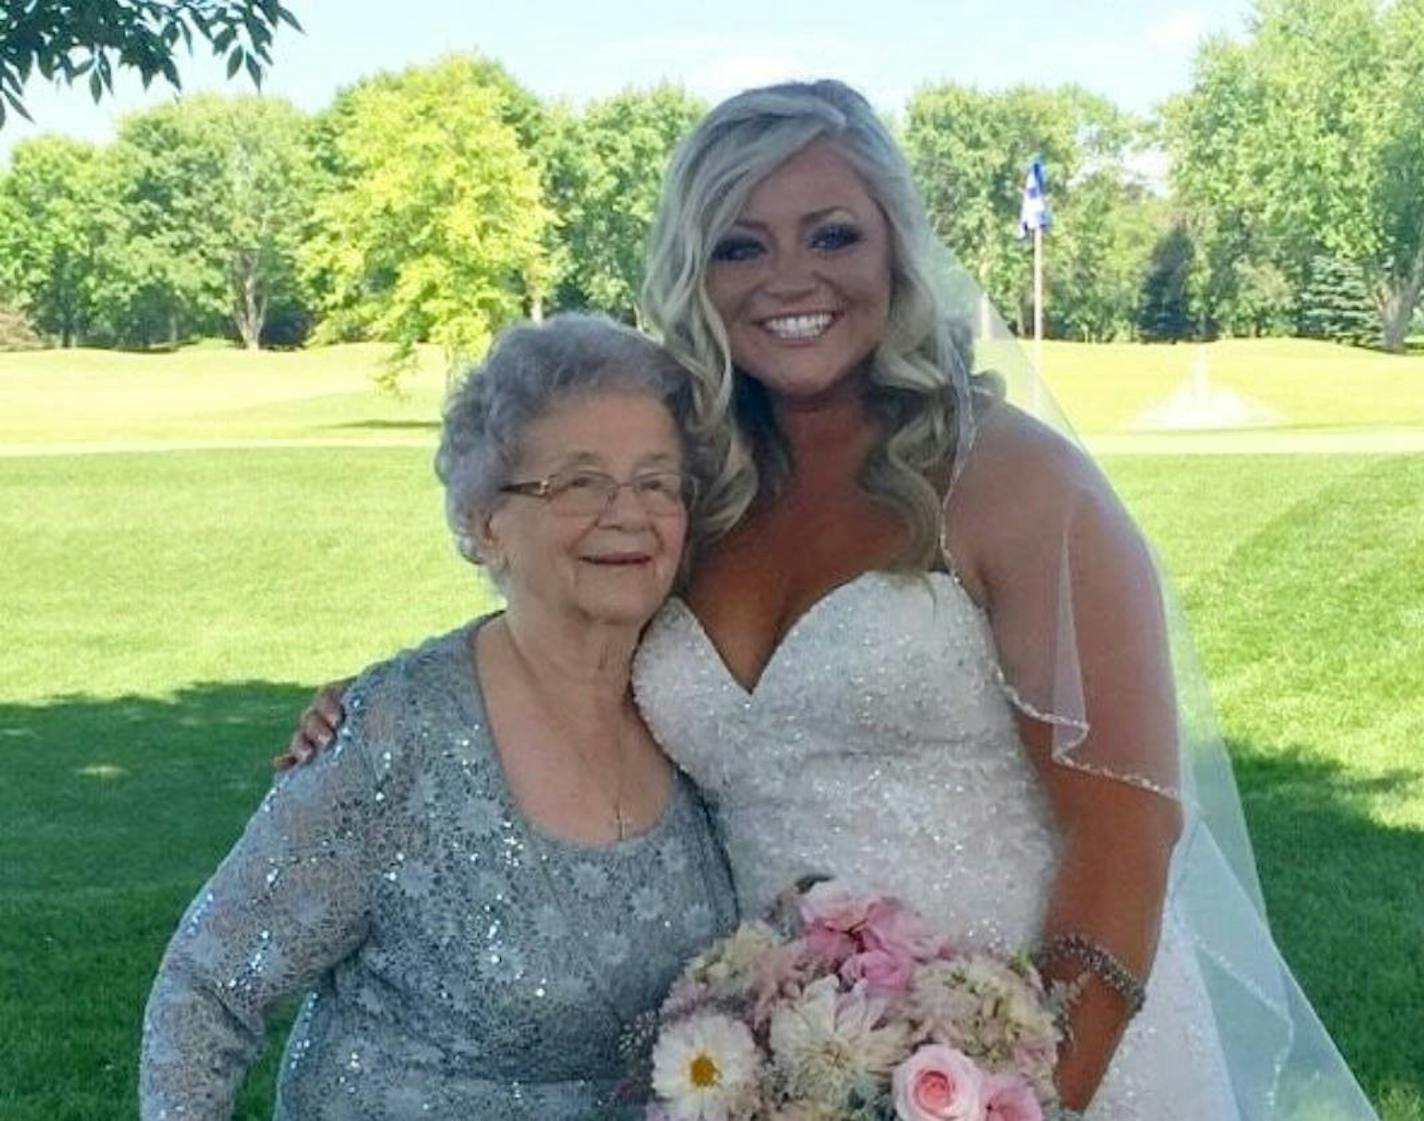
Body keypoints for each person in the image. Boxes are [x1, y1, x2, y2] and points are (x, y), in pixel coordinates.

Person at [292, 82, 1381, 1120]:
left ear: (895, 248)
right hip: (781, 1060)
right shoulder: (690, 498)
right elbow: (569, 672)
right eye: (739, 245)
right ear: (692, 274)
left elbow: (1128, 825)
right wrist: (399, 703)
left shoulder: (1010, 480)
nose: (788, 278)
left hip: (1046, 1043)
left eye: (831, 235)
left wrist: (1021, 1090)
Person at [140, 314, 737, 1120]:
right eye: (580, 482)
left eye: (657, 480)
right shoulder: (397, 731)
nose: (627, 512)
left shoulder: (689, 703)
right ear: (487, 522)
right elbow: (204, 990)